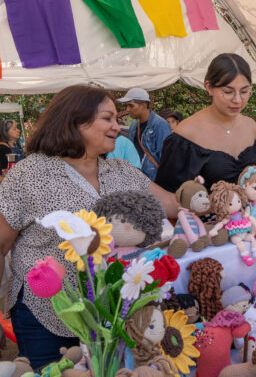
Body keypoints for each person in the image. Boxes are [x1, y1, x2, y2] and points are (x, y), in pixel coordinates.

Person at [0, 85, 178, 369]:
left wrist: (220, 197)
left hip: (109, 315)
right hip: (45, 314)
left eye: (116, 120)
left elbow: (172, 204)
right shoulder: (30, 172)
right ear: (75, 120)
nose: (117, 127)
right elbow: (2, 243)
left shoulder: (120, 171)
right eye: (107, 119)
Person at [155, 53, 256, 193]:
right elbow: (169, 196)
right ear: (209, 87)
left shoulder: (251, 127)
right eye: (228, 91)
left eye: (244, 91)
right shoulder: (186, 134)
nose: (237, 100)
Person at [117, 88, 171, 180]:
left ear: (143, 105)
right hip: (136, 178)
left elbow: (166, 158)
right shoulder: (134, 126)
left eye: (131, 106)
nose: (128, 109)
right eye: (127, 106)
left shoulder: (160, 125)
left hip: (153, 179)